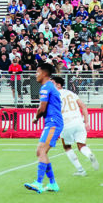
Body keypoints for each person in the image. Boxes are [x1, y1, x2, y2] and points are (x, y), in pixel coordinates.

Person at [24, 63, 64, 194]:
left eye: (37, 72)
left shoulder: (46, 87)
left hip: (53, 123)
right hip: (51, 122)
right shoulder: (48, 86)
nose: (36, 74)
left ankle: (39, 183)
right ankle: (52, 184)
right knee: (40, 151)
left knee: (41, 151)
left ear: (44, 73)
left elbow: (42, 108)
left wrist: (35, 118)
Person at [53, 75, 98, 176]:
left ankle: (81, 170)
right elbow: (83, 106)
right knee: (81, 145)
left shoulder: (54, 95)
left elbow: (55, 114)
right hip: (79, 122)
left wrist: (55, 130)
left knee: (67, 147)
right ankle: (89, 154)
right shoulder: (71, 93)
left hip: (66, 123)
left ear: (58, 85)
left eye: (52, 83)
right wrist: (87, 122)